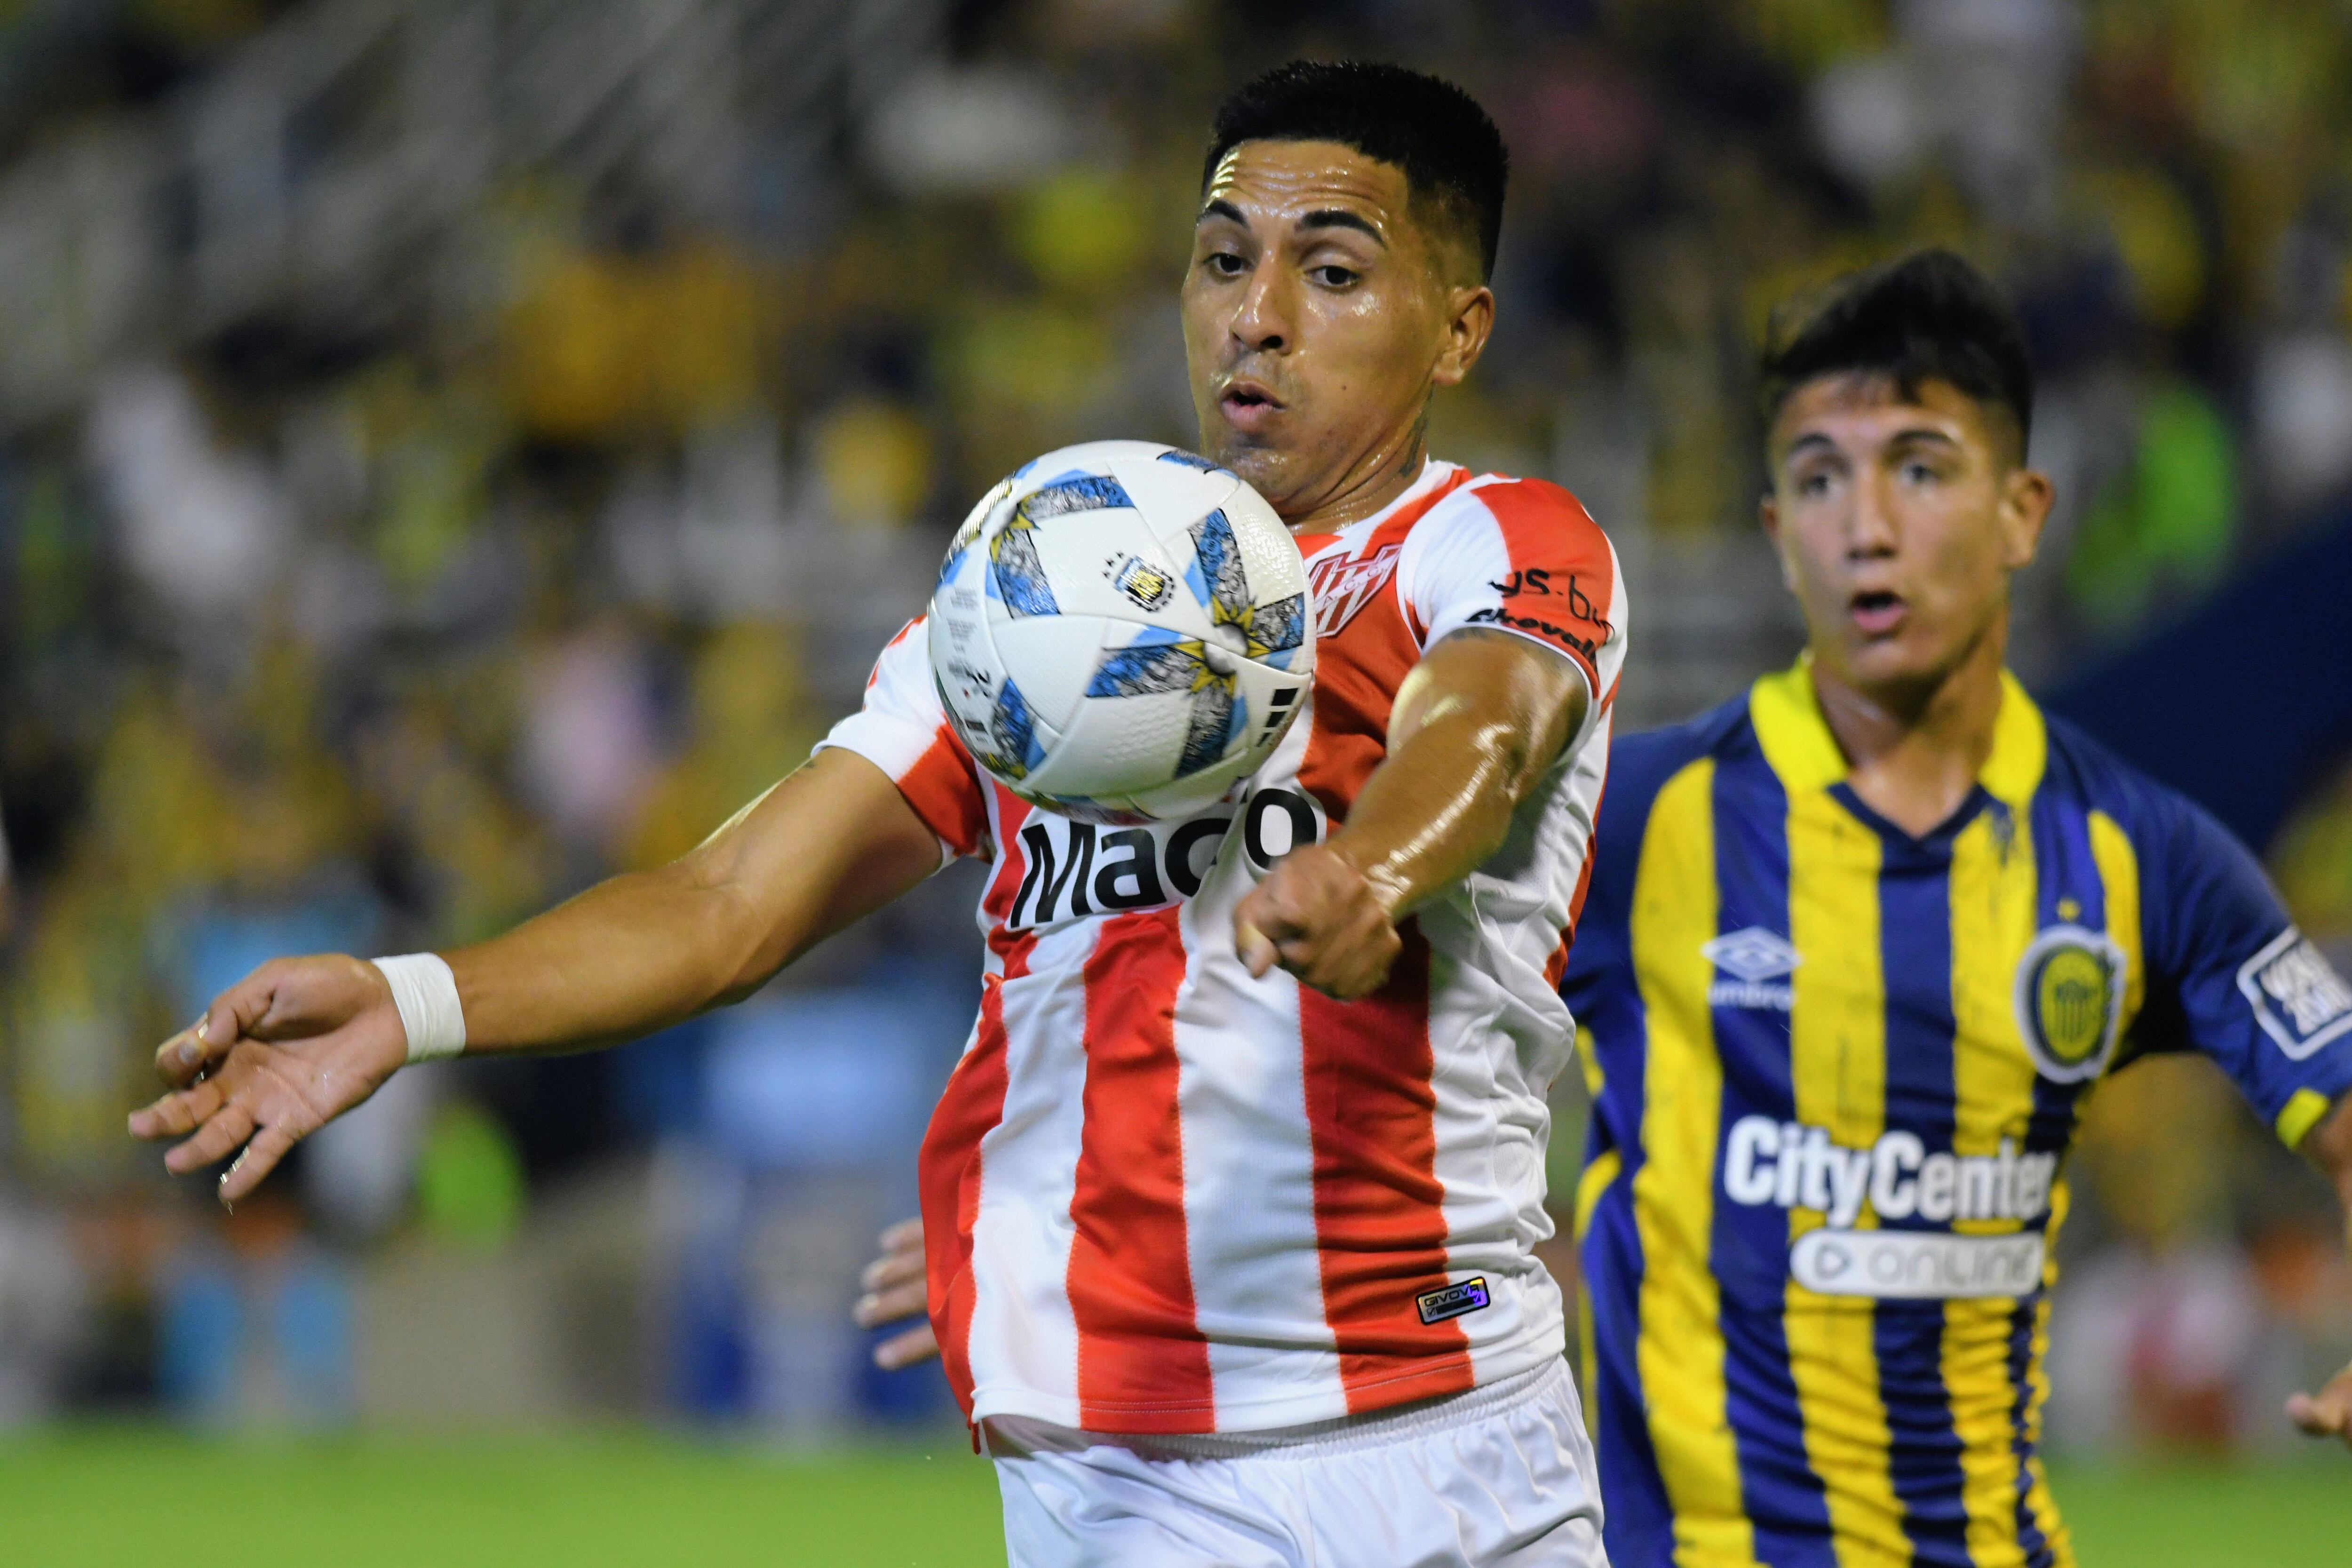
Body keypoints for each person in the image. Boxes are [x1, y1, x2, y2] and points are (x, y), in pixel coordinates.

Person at [131, 62, 1627, 1566]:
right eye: (1226, 257)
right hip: (1121, 1475)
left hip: (1442, 1437)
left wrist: (1369, 868)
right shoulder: (1036, 607)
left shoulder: (1488, 542)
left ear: (1458, 329)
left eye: (1336, 273)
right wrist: (411, 1004)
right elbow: (731, 905)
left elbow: (1487, 727)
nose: (1258, 315)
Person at [1559, 250, 2352, 1566]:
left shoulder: (2143, 856)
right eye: (1820, 479)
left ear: (2024, 512)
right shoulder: (1636, 819)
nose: (1866, 525)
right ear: (1777, 532)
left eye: (1920, 470)